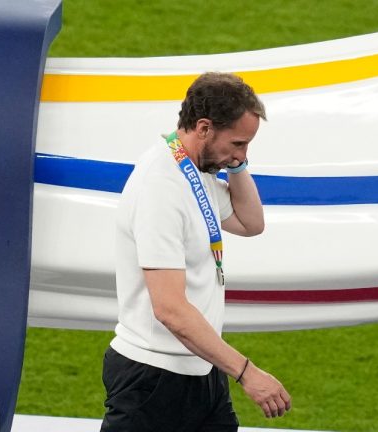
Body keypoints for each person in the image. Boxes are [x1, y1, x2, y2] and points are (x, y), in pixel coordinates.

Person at [101, 72, 291, 431]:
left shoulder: (194, 169)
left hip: (202, 369)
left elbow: (251, 223)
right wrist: (247, 372)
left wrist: (237, 164)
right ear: (204, 128)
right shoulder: (161, 188)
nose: (240, 154)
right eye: (237, 143)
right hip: (152, 381)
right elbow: (169, 309)